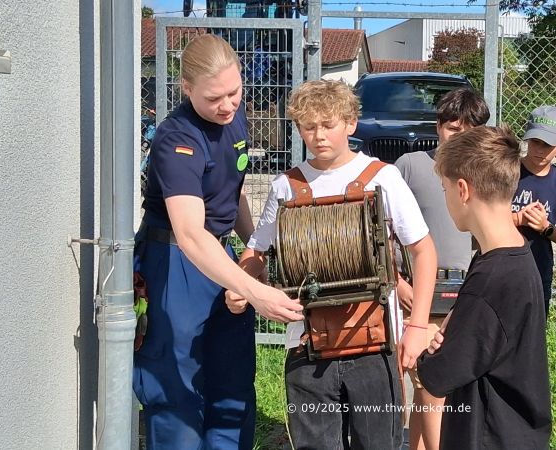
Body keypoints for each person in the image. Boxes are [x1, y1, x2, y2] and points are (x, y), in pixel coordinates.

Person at [225, 79, 437, 449]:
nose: (318, 135)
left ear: (350, 124)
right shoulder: (286, 186)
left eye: (328, 124)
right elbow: (258, 249)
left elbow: (423, 251)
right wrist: (243, 285)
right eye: (309, 126)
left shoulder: (383, 178)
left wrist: (417, 325)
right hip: (307, 347)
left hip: (375, 346)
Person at [133, 34, 303, 450]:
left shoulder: (235, 118)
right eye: (214, 98)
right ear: (186, 88)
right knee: (177, 390)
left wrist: (256, 251)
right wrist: (254, 291)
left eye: (234, 92)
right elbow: (190, 233)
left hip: (220, 253)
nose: (227, 105)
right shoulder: (177, 139)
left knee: (231, 385)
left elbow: (234, 193)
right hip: (174, 260)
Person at [417, 126, 552, 450]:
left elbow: (438, 374)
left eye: (445, 188)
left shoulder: (493, 278)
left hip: (492, 437)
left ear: (463, 190)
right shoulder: (512, 253)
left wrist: (428, 355)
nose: (447, 197)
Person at [394, 86, 489, 450]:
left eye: (469, 130)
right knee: (425, 384)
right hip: (418, 295)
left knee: (437, 388)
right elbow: (384, 234)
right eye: (453, 128)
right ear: (438, 126)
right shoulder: (412, 166)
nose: (459, 137)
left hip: (465, 294)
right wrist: (400, 284)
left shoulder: (484, 176)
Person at [510, 105, 556, 315]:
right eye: (535, 142)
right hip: (502, 268)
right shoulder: (506, 173)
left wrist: (545, 228)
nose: (539, 150)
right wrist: (519, 218)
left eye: (547, 144)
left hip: (538, 271)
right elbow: (484, 219)